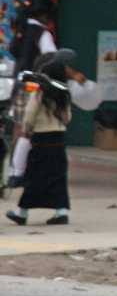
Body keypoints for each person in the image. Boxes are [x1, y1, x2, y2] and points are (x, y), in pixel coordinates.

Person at [8, 0, 85, 187]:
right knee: (32, 130)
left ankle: (14, 172)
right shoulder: (42, 34)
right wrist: (74, 74)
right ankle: (19, 173)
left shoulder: (22, 30)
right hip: (35, 86)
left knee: (20, 128)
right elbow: (53, 61)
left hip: (18, 84)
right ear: (44, 14)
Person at [6, 53, 72, 227]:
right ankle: (61, 212)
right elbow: (68, 117)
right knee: (58, 176)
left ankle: (22, 212)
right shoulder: (64, 93)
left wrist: (27, 129)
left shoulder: (40, 92)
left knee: (35, 177)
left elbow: (29, 113)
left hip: (41, 139)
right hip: (58, 139)